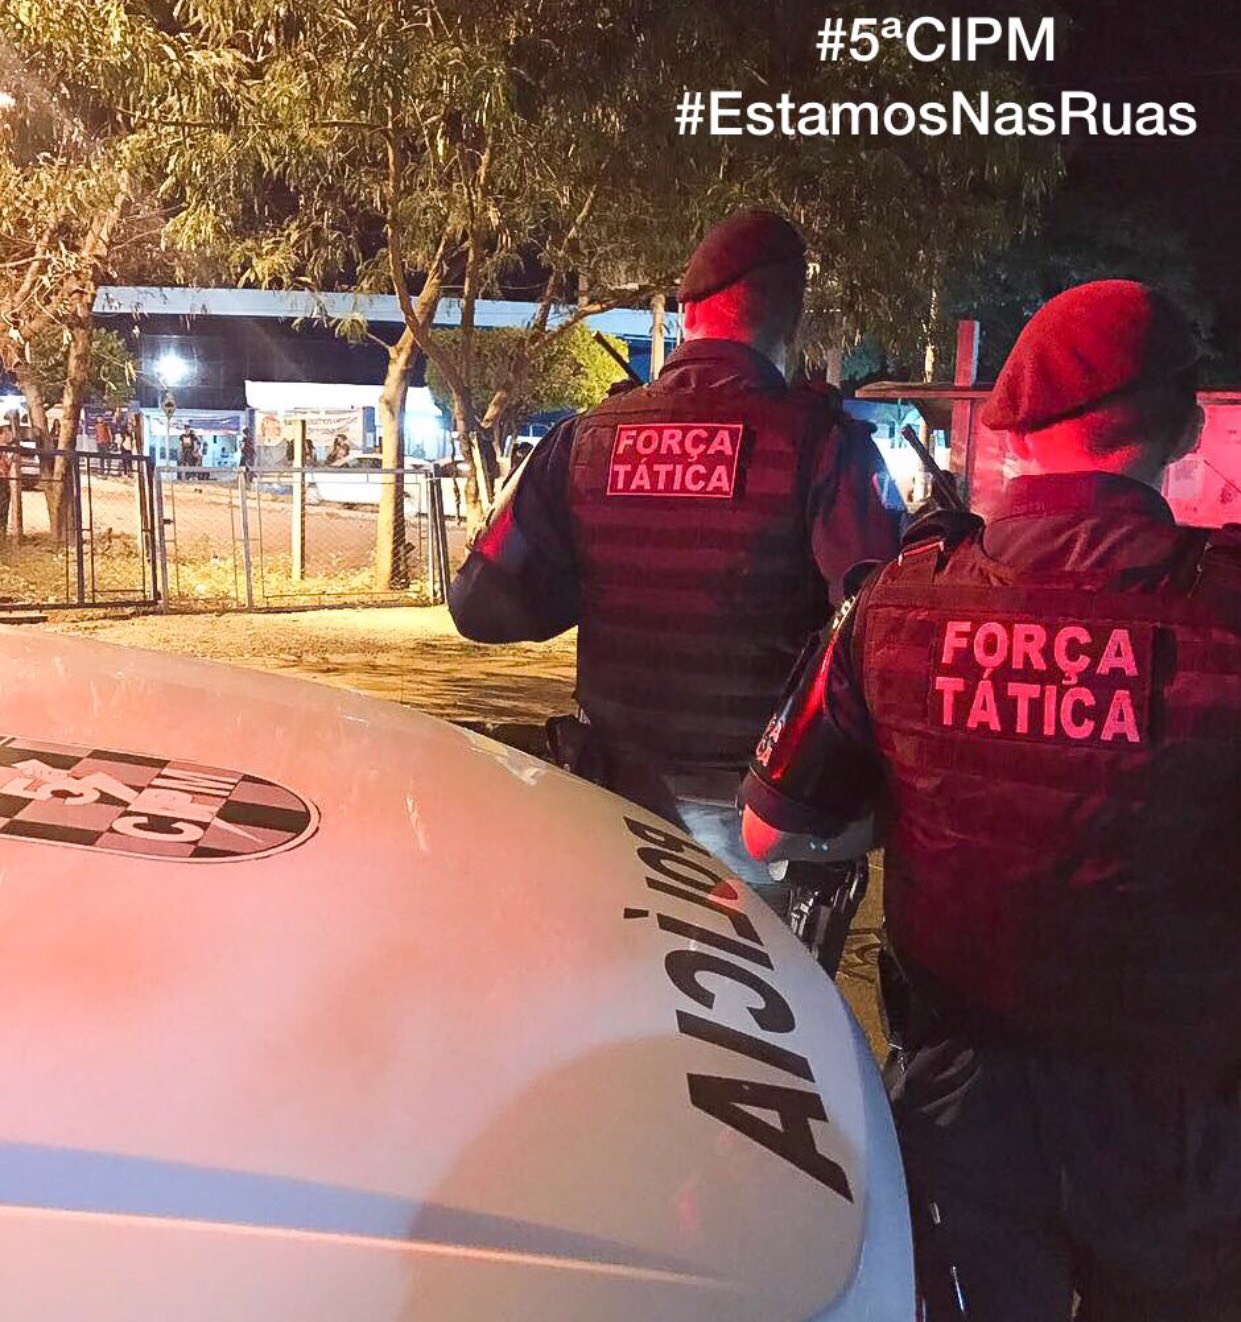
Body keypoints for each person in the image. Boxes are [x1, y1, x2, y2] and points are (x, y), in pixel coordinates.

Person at [739, 280, 1241, 1320]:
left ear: (1013, 430)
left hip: (958, 1113)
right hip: (1181, 1130)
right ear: (1185, 426)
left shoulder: (897, 597)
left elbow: (767, 824)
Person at [449, 209, 901, 897]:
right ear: (792, 317)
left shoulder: (584, 438)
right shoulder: (826, 447)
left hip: (608, 805)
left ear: (687, 312)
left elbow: (478, 607)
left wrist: (602, 579)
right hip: (758, 826)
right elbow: (877, 640)